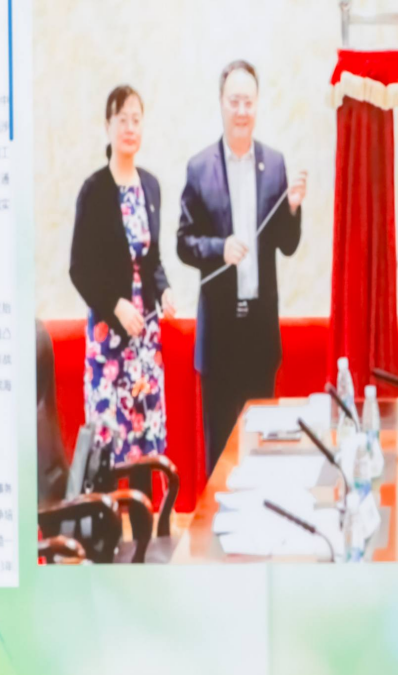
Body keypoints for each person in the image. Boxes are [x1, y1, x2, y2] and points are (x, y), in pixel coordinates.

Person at [178, 59, 307, 474]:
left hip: (259, 333)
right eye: (234, 101)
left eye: (248, 102)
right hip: (219, 333)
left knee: (262, 451)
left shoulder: (275, 164)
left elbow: (287, 245)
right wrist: (220, 249)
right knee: (220, 455)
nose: (241, 111)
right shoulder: (200, 168)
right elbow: (184, 244)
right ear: (221, 103)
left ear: (257, 105)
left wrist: (292, 208)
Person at [69, 85, 175, 498]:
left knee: (146, 440)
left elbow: (152, 259)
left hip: (145, 339)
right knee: (110, 445)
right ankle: (106, 530)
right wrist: (115, 305)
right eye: (122, 120)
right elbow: (79, 269)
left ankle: (148, 529)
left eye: (136, 120)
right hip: (109, 340)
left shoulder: (150, 186)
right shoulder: (94, 190)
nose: (130, 128)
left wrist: (163, 291)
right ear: (108, 126)